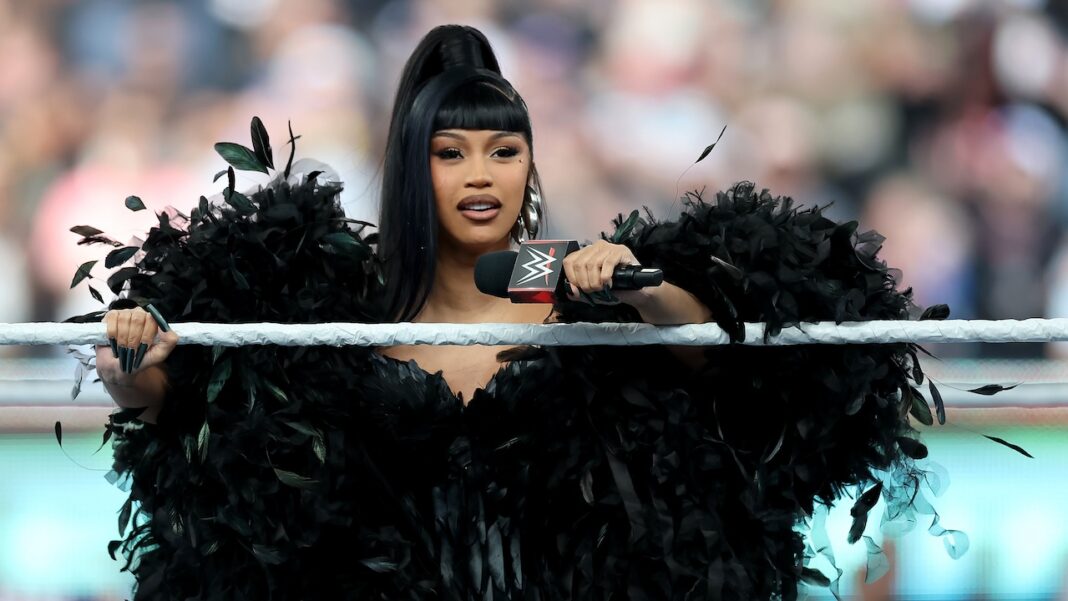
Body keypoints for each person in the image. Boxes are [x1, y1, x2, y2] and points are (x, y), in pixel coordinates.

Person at [81, 24, 938, 601]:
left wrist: (637, 285)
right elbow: (172, 408)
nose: (481, 174)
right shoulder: (349, 300)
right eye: (451, 153)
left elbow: (718, 356)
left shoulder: (556, 275)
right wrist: (127, 359)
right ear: (412, 166)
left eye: (504, 149)